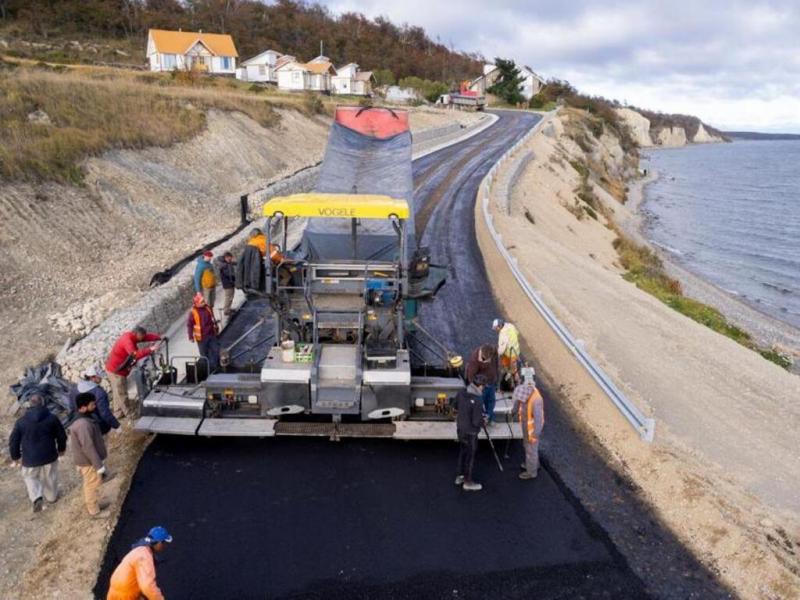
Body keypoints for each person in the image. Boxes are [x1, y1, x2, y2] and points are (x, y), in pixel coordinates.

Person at [8, 394, 67, 513]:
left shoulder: (21, 422)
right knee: (50, 477)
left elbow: (13, 441)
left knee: (30, 478)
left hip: (30, 458)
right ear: (43, 403)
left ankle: (36, 498)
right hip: (49, 454)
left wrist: (15, 457)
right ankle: (51, 497)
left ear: (30, 404)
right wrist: (61, 449)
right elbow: (61, 436)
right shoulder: (52, 418)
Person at [105, 326, 162, 418]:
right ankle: (130, 414)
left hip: (115, 369)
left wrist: (158, 337)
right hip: (117, 371)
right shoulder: (127, 341)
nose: (143, 338)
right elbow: (135, 355)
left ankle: (118, 413)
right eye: (141, 336)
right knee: (122, 393)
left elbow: (146, 337)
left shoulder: (133, 336)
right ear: (136, 334)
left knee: (117, 392)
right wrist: (150, 349)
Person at [70, 392, 110, 518]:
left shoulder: (86, 419)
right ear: (82, 407)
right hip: (88, 462)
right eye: (92, 405)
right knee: (91, 485)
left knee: (94, 483)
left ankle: (96, 504)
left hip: (89, 460)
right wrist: (98, 465)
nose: (95, 406)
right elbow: (88, 447)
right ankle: (94, 511)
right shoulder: (83, 425)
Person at [107, 526, 173, 600]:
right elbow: (147, 586)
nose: (164, 546)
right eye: (164, 543)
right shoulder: (144, 557)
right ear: (159, 542)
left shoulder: (140, 549)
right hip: (125, 595)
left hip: (117, 590)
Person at [455, 374, 487, 492]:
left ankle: (459, 476)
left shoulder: (461, 393)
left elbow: (455, 405)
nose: (483, 389)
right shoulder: (478, 400)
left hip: (460, 429)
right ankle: (468, 482)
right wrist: (483, 421)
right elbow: (476, 421)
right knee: (470, 456)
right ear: (480, 386)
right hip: (471, 433)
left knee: (463, 452)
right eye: (483, 386)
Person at [512, 366, 544, 480]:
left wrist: (535, 435)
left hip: (532, 430)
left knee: (531, 449)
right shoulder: (524, 390)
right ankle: (533, 464)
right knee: (528, 447)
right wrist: (514, 411)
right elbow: (518, 401)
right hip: (525, 426)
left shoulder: (537, 400)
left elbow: (539, 421)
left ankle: (531, 472)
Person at [70, 365, 120, 434]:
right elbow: (105, 413)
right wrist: (116, 425)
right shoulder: (99, 392)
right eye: (99, 376)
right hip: (98, 426)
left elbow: (72, 406)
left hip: (82, 424)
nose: (101, 378)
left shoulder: (75, 388)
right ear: (92, 377)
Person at [465, 344, 498, 424]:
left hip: (492, 382)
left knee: (491, 401)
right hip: (481, 386)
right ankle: (481, 421)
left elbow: (496, 366)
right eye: (487, 360)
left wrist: (497, 381)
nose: (489, 361)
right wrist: (477, 387)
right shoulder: (474, 360)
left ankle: (489, 418)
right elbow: (470, 376)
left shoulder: (493, 352)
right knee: (480, 403)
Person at [187, 292, 220, 371]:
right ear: (197, 303)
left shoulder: (207, 308)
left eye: (203, 301)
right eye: (202, 302)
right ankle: (207, 370)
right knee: (204, 355)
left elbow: (212, 318)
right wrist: (191, 337)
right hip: (202, 338)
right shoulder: (193, 313)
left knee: (216, 350)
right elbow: (189, 325)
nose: (204, 302)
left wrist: (216, 327)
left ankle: (215, 367)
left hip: (211, 334)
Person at [493, 318, 521, 388]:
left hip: (509, 353)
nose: (496, 330)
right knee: (513, 368)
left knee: (511, 369)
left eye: (496, 328)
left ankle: (514, 383)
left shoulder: (503, 334)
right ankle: (515, 381)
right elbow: (517, 333)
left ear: (499, 326)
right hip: (516, 351)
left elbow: (501, 350)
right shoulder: (510, 326)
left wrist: (497, 353)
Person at [215, 251, 237, 316]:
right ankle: (226, 311)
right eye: (230, 258)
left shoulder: (226, 263)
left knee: (230, 296)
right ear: (226, 257)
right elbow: (229, 275)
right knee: (229, 297)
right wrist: (233, 280)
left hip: (229, 283)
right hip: (228, 284)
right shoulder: (224, 266)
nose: (231, 259)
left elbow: (233, 263)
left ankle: (228, 309)